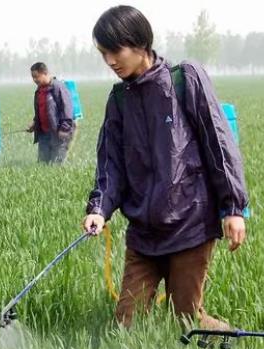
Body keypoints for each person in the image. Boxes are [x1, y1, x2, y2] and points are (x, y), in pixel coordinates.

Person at [82, 6, 248, 329]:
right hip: (144, 233)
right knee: (126, 327)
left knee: (185, 321)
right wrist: (99, 208)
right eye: (103, 54)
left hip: (190, 224)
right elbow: (110, 164)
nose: (110, 61)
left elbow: (219, 143)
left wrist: (233, 207)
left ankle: (225, 338)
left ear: (140, 42)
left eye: (115, 51)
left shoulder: (184, 79)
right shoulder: (118, 101)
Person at [26, 62, 76, 164]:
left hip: (58, 133)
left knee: (56, 165)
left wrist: (64, 129)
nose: (34, 80)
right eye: (33, 77)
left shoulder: (58, 88)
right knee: (42, 165)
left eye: (36, 77)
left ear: (44, 73)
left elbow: (67, 110)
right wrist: (35, 123)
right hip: (44, 134)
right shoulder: (39, 90)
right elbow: (40, 110)